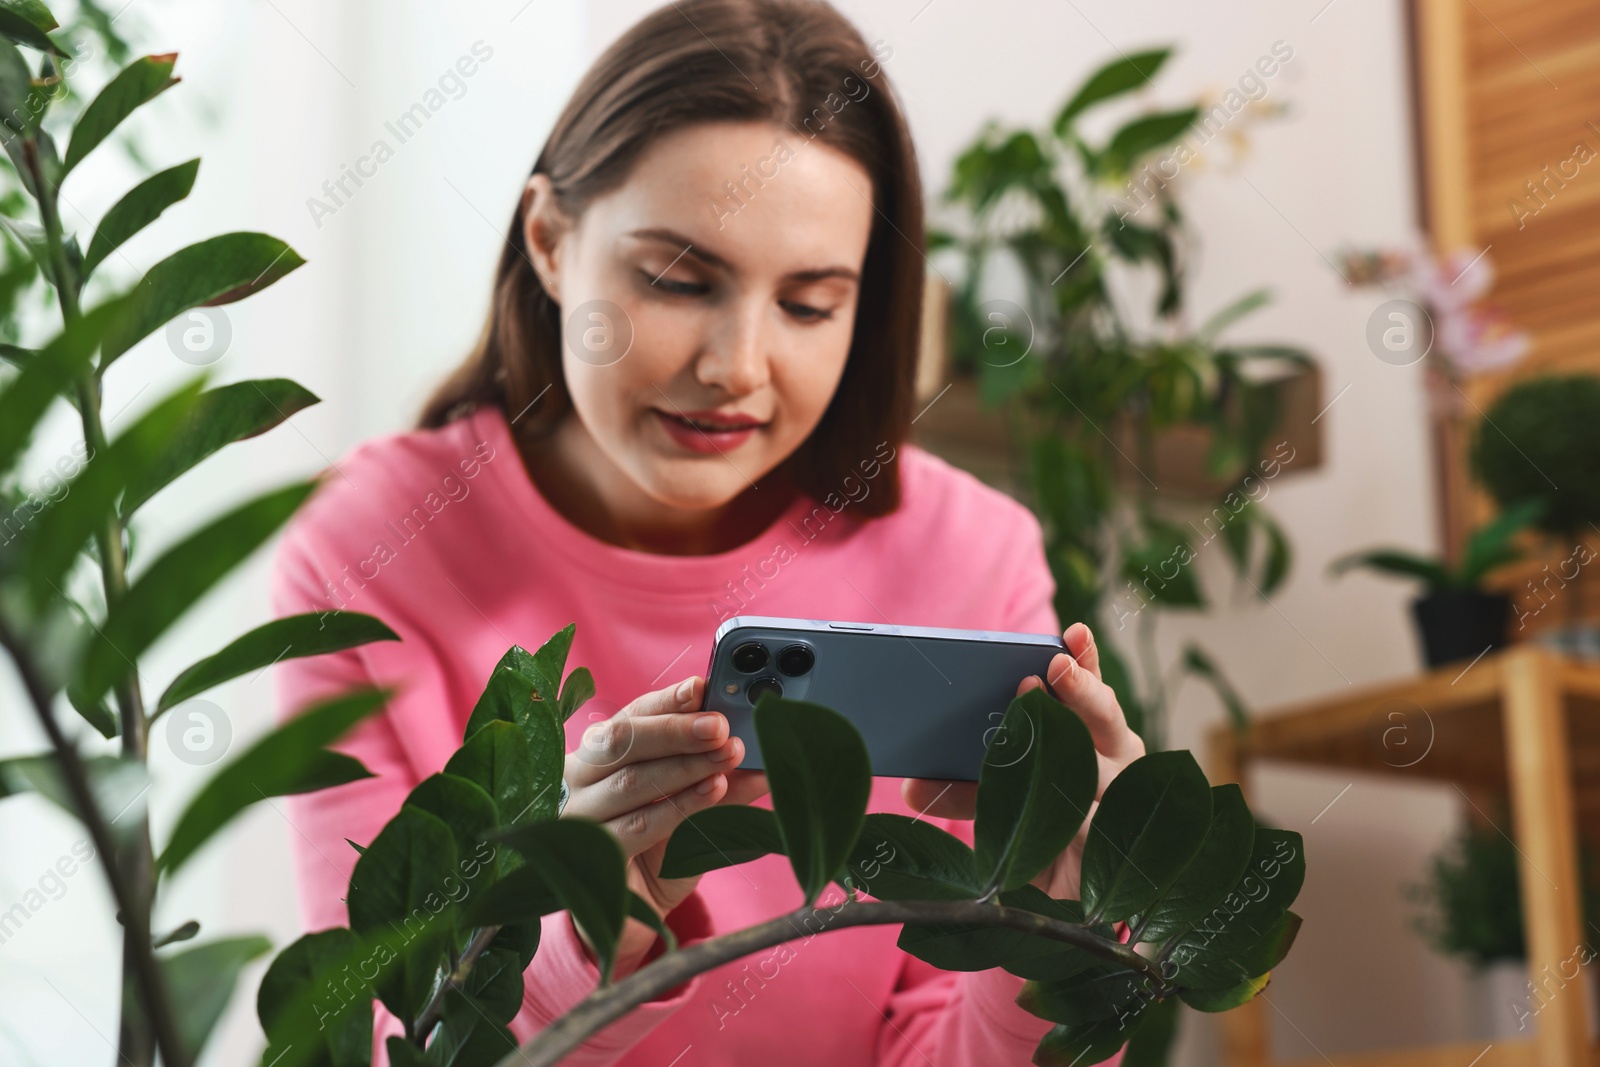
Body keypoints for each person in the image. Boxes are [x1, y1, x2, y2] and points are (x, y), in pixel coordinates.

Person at [271, 0, 1145, 1063]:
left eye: (811, 304)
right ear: (550, 242)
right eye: (678, 280)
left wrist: (1052, 930)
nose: (736, 364)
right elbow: (359, 1038)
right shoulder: (367, 546)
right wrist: (588, 930)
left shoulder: (973, 552)